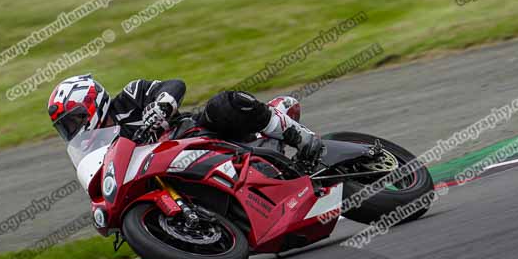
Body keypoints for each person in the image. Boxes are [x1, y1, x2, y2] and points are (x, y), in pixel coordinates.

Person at [47, 74, 323, 163]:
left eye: (74, 120)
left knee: (223, 104)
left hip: (196, 136)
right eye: (66, 128)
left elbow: (174, 85)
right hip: (165, 170)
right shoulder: (94, 151)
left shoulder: (130, 97)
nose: (73, 130)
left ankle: (299, 137)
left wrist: (161, 106)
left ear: (91, 104)